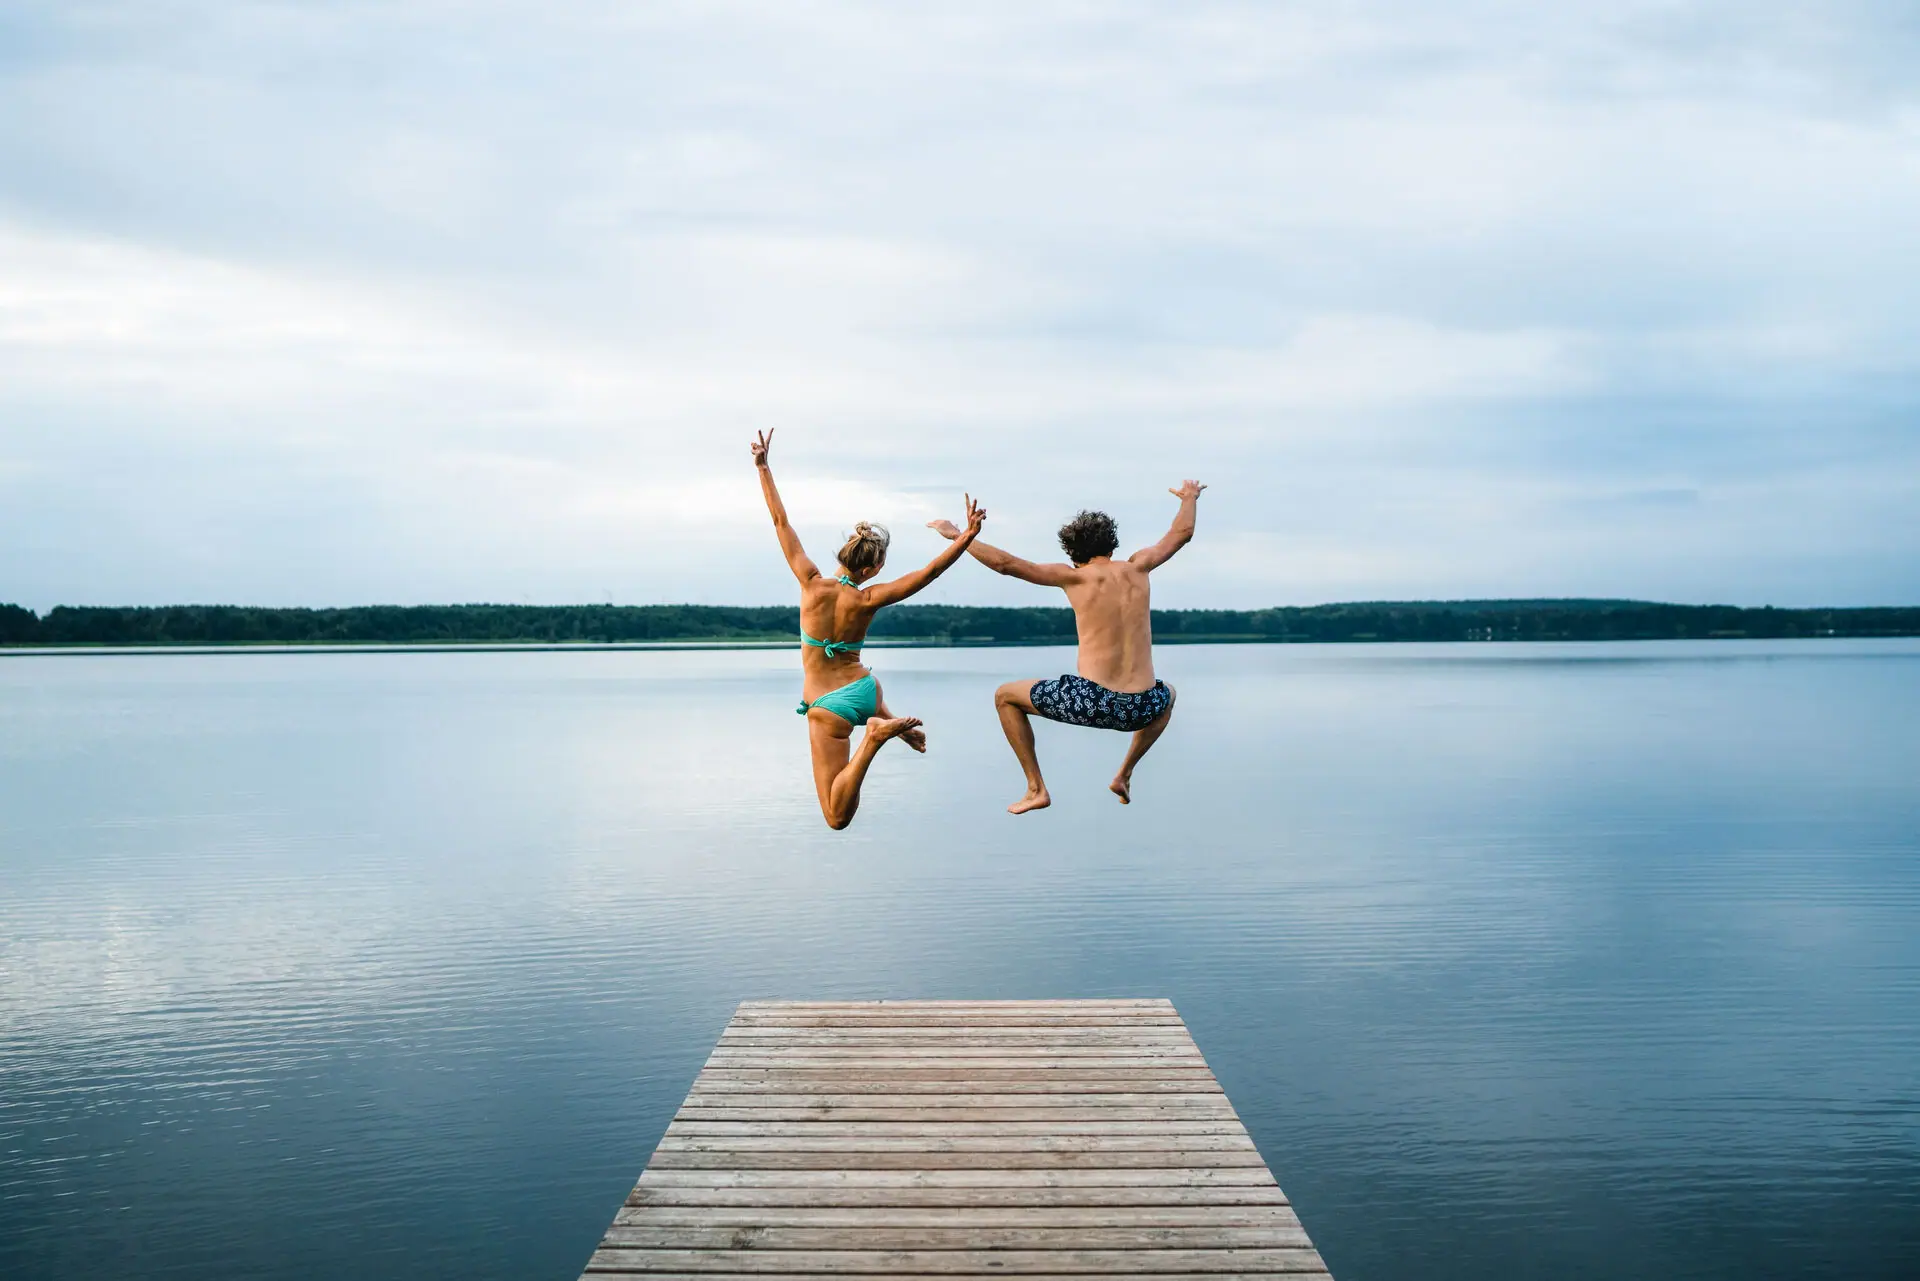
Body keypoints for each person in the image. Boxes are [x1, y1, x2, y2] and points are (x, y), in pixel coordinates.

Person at [753, 429, 986, 829]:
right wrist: (964, 538)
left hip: (830, 705)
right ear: (870, 570)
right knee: (843, 798)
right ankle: (888, 726)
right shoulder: (867, 598)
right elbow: (928, 574)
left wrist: (763, 466)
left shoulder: (810, 583)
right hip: (864, 690)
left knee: (835, 816)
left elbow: (780, 521)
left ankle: (876, 736)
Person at [930, 481, 1205, 814]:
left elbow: (1006, 565)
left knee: (1005, 696)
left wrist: (959, 534)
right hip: (1142, 706)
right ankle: (1125, 773)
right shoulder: (1139, 566)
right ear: (1112, 545)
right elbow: (1182, 533)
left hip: (1095, 702)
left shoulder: (1074, 577)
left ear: (1072, 553)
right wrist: (1189, 496)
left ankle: (1035, 788)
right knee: (1169, 694)